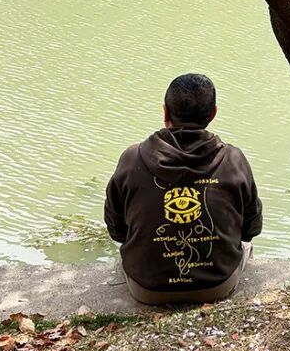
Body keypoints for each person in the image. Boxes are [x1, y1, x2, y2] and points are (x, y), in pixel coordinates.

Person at [104, 72, 263, 306]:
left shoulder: (132, 158)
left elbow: (116, 230)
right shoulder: (234, 159)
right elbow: (251, 229)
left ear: (165, 113)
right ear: (213, 114)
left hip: (147, 288)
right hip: (216, 286)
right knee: (247, 246)